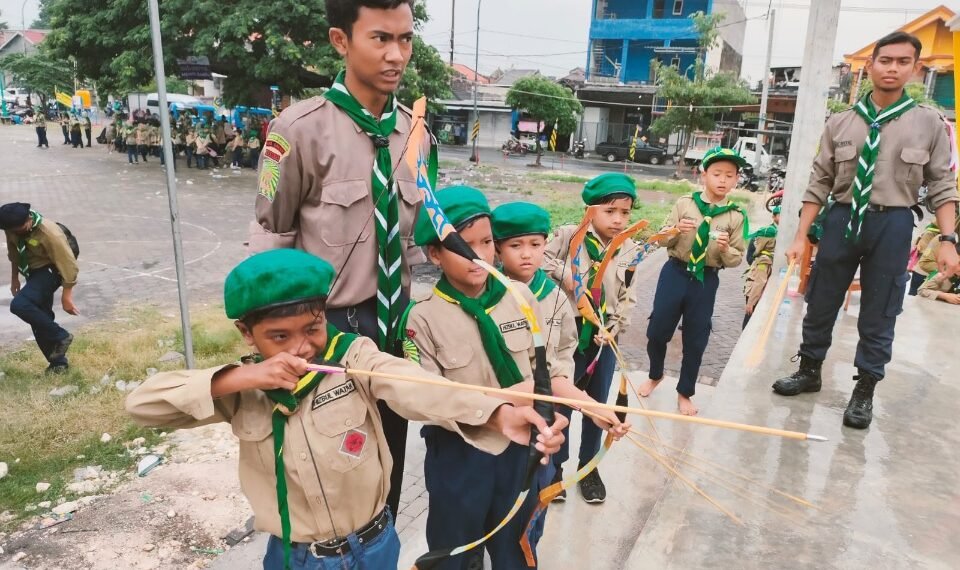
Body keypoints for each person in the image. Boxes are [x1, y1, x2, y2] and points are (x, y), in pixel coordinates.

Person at [126, 248, 566, 570]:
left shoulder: (351, 356)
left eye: (313, 328)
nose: (302, 347)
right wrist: (242, 379)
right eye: (280, 337)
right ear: (247, 333)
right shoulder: (241, 389)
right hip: (295, 558)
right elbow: (141, 405)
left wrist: (497, 413)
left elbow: (414, 385)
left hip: (373, 547)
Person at [250, 0, 434, 518]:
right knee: (326, 474)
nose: (396, 55)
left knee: (388, 466)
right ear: (340, 40)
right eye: (380, 39)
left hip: (395, 328)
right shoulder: (297, 130)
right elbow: (271, 236)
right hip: (327, 333)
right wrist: (276, 347)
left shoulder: (414, 134)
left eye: (405, 39)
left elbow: (418, 239)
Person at [404, 187, 623, 569]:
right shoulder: (421, 319)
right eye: (462, 245)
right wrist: (507, 400)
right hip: (461, 457)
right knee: (454, 553)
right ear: (434, 255)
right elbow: (424, 399)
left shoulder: (521, 296)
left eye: (486, 242)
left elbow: (548, 371)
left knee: (518, 550)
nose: (478, 254)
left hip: (523, 453)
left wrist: (589, 406)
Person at [774, 31, 960, 429]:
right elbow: (818, 182)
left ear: (916, 68)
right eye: (885, 60)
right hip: (842, 217)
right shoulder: (840, 122)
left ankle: (864, 390)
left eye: (902, 62)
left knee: (880, 309)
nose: (892, 68)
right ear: (870, 64)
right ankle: (809, 369)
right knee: (821, 298)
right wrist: (799, 234)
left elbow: (942, 185)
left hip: (893, 222)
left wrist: (947, 240)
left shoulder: (929, 123)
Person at [542, 172, 641, 503]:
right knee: (565, 403)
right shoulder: (570, 236)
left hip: (603, 342)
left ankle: (589, 467)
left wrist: (613, 327)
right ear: (590, 210)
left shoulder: (628, 247)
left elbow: (628, 295)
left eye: (625, 213)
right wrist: (566, 274)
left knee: (597, 405)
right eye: (609, 211)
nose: (617, 219)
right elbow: (542, 258)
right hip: (568, 342)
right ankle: (555, 468)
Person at [492, 200, 598, 506]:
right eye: (515, 245)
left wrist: (562, 382)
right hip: (504, 408)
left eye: (536, 244)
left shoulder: (555, 295)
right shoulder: (491, 295)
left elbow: (567, 346)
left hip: (548, 401)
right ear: (498, 250)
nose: (527, 254)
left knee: (537, 476)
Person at [639, 147, 748, 417]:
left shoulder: (736, 216)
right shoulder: (684, 205)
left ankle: (685, 391)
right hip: (674, 272)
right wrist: (675, 231)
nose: (723, 180)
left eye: (730, 175)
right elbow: (660, 239)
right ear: (704, 176)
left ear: (736, 180)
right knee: (657, 331)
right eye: (717, 174)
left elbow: (736, 259)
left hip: (705, 280)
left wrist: (724, 250)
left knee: (696, 338)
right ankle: (655, 374)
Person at [1, 203, 79, 374]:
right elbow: (14, 253)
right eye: (15, 230)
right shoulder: (11, 228)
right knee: (39, 317)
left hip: (53, 269)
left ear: (28, 217)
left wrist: (67, 296)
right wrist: (15, 278)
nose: (24, 228)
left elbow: (68, 263)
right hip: (34, 272)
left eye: (23, 225)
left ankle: (61, 335)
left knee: (20, 305)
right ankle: (58, 364)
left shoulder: (49, 232)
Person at [742, 206, 780, 328]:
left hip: (755, 294)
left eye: (759, 240)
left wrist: (751, 303)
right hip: (754, 292)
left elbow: (759, 282)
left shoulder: (763, 261)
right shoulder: (768, 231)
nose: (756, 241)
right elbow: (750, 257)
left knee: (749, 323)